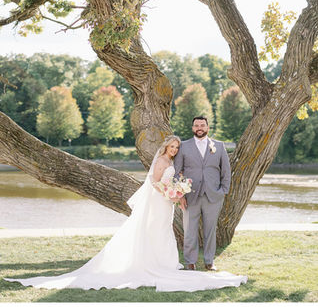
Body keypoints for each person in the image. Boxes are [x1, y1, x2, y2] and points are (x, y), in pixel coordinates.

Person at [4, 135, 246, 292]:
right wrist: (170, 193)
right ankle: (153, 263)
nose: (173, 150)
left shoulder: (173, 160)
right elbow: (153, 181)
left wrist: (176, 192)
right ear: (165, 147)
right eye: (171, 147)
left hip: (168, 201)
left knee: (162, 232)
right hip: (161, 201)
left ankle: (167, 263)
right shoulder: (161, 161)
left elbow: (173, 180)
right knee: (156, 230)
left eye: (176, 147)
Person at [174, 116, 231, 271]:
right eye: (196, 125)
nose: (199, 127)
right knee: (190, 231)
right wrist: (180, 195)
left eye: (202, 125)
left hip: (213, 196)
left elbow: (226, 171)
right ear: (193, 128)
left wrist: (223, 191)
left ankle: (209, 261)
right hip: (190, 196)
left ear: (207, 127)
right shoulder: (184, 146)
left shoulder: (218, 146)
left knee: (210, 231)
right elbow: (177, 171)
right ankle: (190, 262)